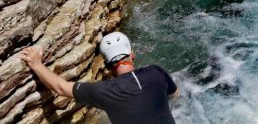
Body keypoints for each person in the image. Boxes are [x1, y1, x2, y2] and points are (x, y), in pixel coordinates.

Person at [21, 32, 179, 124]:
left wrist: (36, 65)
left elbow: (61, 88)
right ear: (132, 55)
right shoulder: (156, 72)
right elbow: (175, 95)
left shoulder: (103, 91)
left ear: (106, 64)